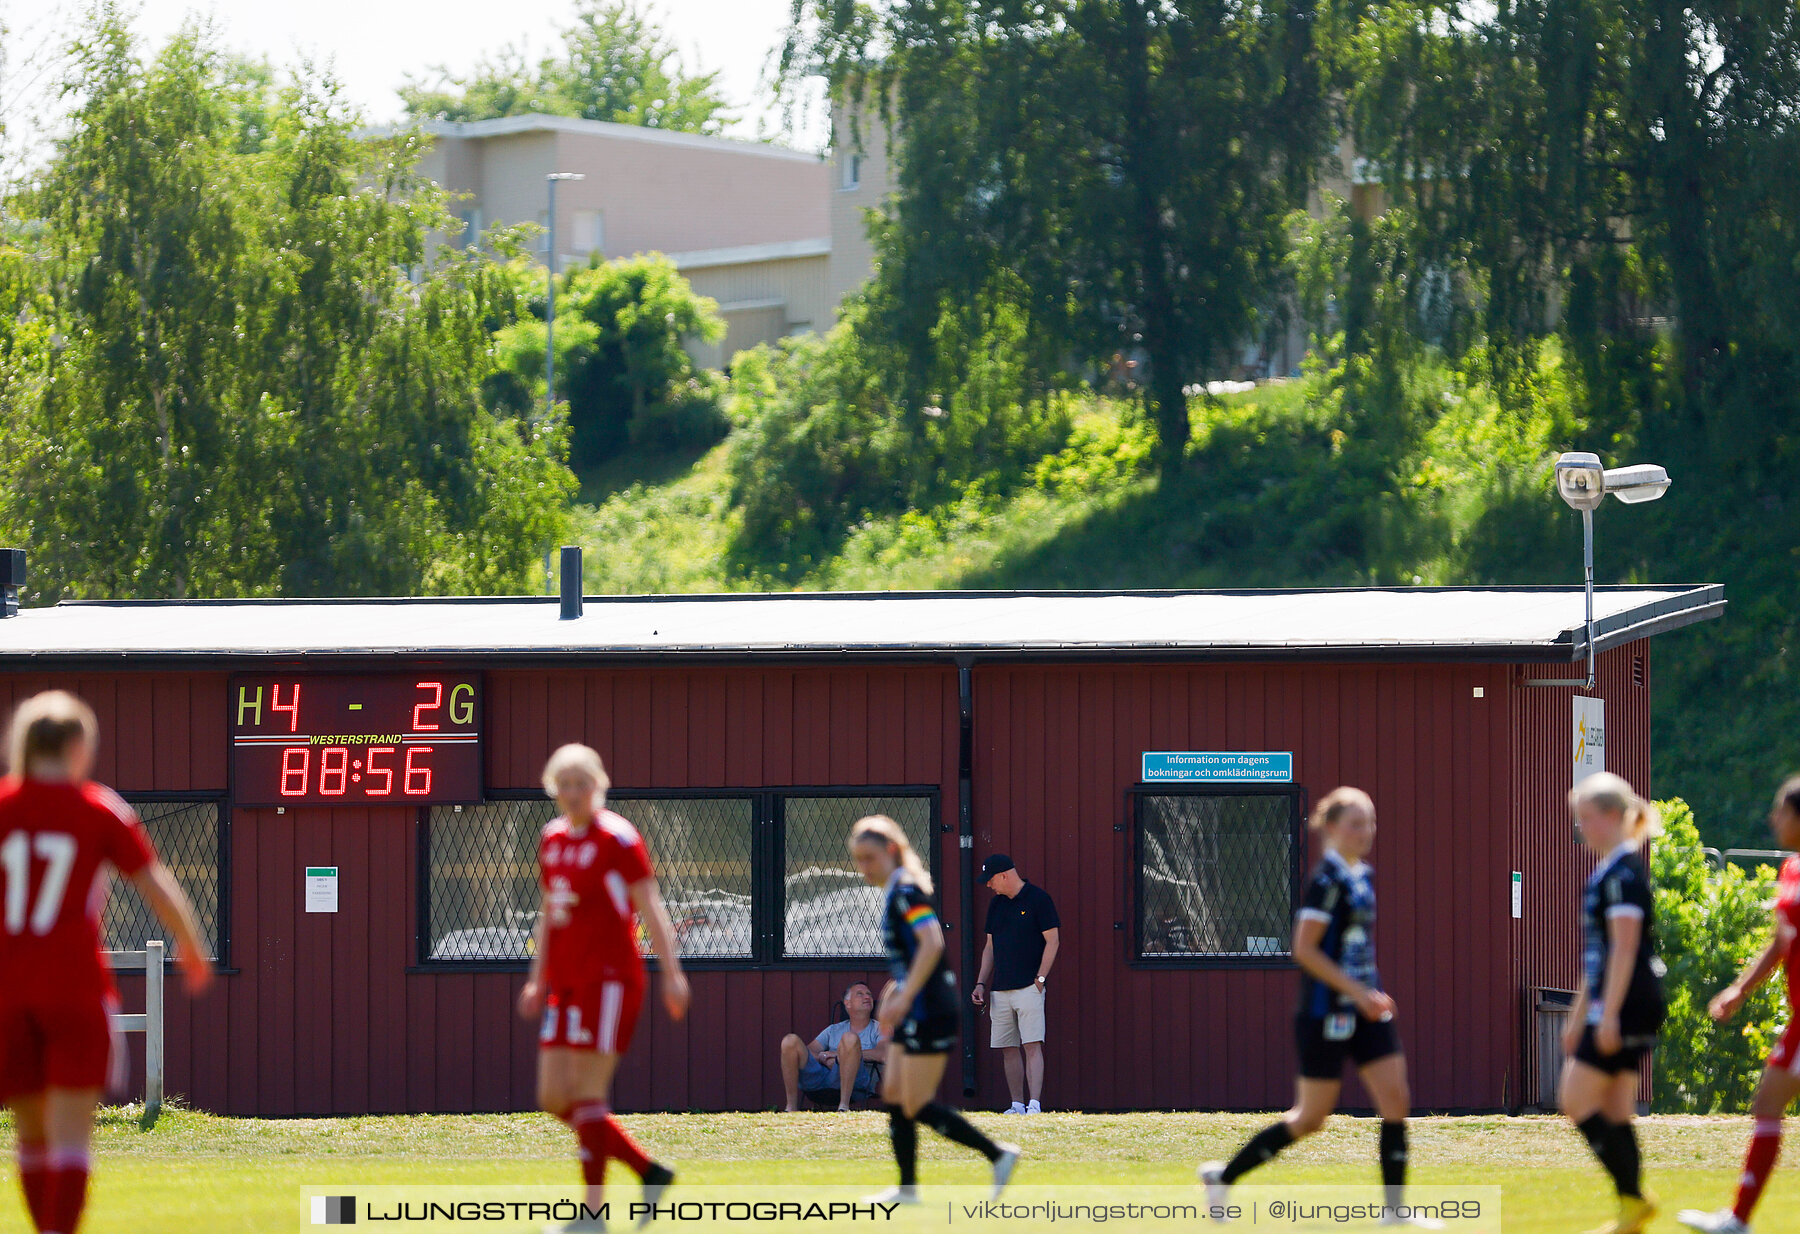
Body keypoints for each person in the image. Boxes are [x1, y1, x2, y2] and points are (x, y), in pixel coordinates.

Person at [0, 690, 214, 1234]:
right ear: (77, 746)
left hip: (7, 990)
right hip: (72, 986)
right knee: (72, 1137)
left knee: (31, 1136)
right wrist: (190, 945)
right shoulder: (97, 808)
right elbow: (156, 886)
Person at [1200, 787, 1435, 1228]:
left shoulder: (1361, 876)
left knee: (1396, 1101)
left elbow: (1354, 948)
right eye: (1355, 823)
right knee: (1310, 1119)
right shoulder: (1325, 882)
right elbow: (1304, 949)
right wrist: (1357, 991)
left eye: (1371, 822)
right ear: (1331, 828)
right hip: (1325, 1013)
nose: (1366, 832)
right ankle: (1223, 1177)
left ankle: (1395, 1211)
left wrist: (1372, 993)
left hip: (1367, 1012)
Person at [518, 744, 690, 1233]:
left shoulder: (618, 838)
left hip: (610, 980)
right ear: (553, 788)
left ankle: (592, 1216)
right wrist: (537, 979)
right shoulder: (551, 840)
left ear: (598, 785)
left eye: (582, 783)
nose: (573, 793)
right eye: (564, 784)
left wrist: (673, 973)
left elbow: (651, 906)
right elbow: (550, 914)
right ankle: (648, 1171)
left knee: (589, 1093)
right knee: (554, 1096)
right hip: (565, 983)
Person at [849, 815, 1020, 1203]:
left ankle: (997, 1154)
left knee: (913, 1102)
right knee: (893, 1092)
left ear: (891, 852)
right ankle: (908, 1187)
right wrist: (894, 995)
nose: (863, 867)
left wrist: (905, 998)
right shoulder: (896, 890)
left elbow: (932, 944)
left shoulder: (907, 891)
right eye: (858, 859)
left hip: (932, 1011)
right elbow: (911, 960)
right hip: (915, 1007)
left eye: (869, 857)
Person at [1677, 775, 1800, 1234]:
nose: (1773, 818)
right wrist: (1740, 989)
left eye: (1781, 811)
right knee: (1767, 1104)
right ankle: (1738, 1220)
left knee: (1767, 1103)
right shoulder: (1792, 870)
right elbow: (1782, 943)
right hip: (1799, 1023)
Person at [1560, 772, 1666, 1234]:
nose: (1581, 828)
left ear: (1612, 818)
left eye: (1586, 818)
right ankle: (1632, 1212)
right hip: (1630, 1002)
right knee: (1618, 1109)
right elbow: (1600, 958)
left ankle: (1634, 1200)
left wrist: (1605, 1017)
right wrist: (1578, 1013)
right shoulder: (1610, 872)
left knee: (1576, 1099)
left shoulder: (1621, 875)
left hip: (1628, 1003)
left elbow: (1623, 949)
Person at [970, 854, 1060, 1114]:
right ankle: (1017, 1104)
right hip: (1000, 988)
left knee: (1031, 1044)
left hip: (1029, 986)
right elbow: (990, 947)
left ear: (1004, 876)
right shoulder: (996, 905)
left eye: (990, 880)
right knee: (1007, 1047)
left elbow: (1053, 941)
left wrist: (1040, 979)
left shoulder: (1038, 899)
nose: (989, 885)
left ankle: (1034, 1105)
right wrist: (980, 983)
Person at [779, 981, 886, 1111]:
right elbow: (810, 1051)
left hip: (856, 1082)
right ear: (848, 1003)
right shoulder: (833, 1029)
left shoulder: (880, 1028)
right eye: (860, 994)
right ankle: (790, 1107)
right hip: (821, 1077)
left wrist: (841, 1056)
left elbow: (883, 1054)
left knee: (850, 1038)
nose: (867, 997)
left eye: (869, 994)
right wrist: (823, 1057)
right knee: (790, 1041)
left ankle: (843, 1106)